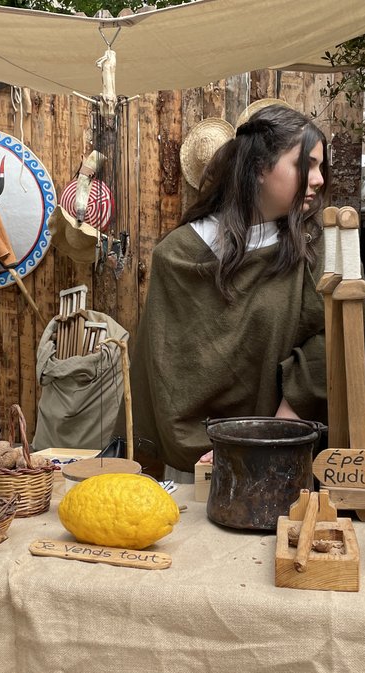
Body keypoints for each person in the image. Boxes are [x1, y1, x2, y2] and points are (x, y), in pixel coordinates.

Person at [129, 105, 339, 480]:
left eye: (321, 167)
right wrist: (212, 446)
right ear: (260, 168)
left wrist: (275, 431)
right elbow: (162, 370)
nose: (319, 179)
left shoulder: (314, 248)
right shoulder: (177, 257)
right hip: (193, 468)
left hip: (282, 456)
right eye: (306, 165)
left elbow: (336, 338)